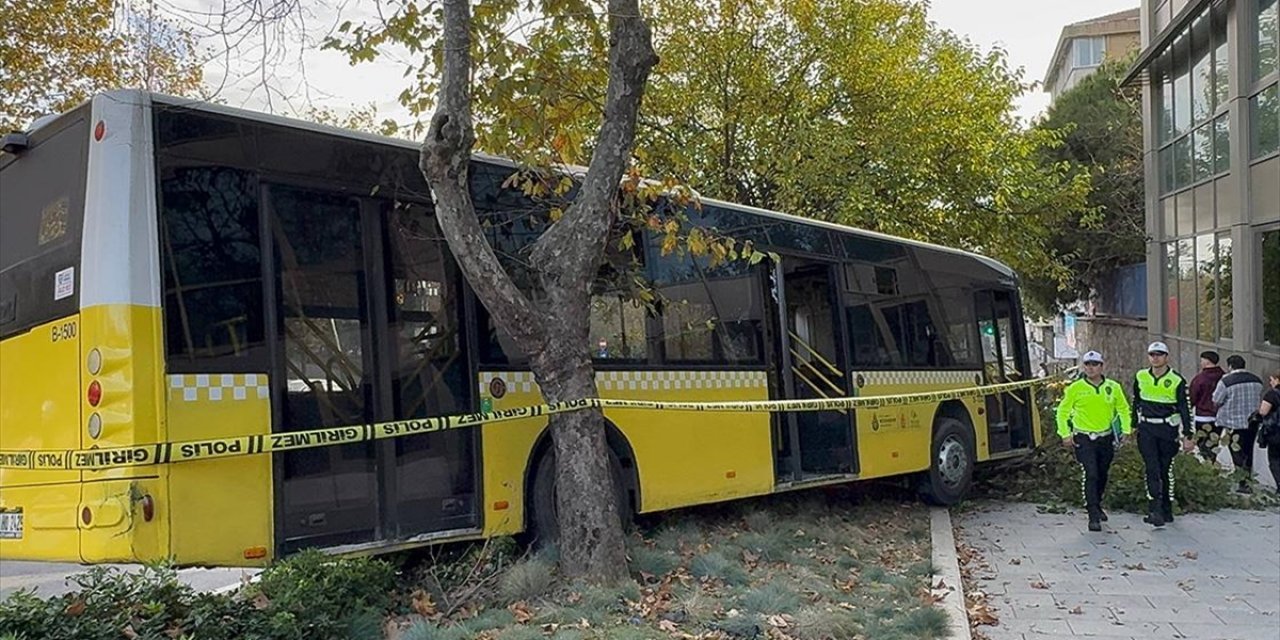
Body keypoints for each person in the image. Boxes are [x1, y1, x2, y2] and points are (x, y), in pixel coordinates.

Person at [1056, 350, 1131, 532]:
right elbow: (1062, 411)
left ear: (1101, 367)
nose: (1090, 368)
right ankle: (1092, 514)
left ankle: (1097, 503)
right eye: (1087, 365)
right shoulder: (1075, 388)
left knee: (1103, 473)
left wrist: (1126, 430)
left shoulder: (1112, 387)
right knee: (1091, 473)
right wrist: (1065, 433)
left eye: (1094, 365)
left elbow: (1122, 408)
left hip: (1105, 437)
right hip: (1084, 437)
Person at [1132, 341, 1192, 527]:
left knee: (1165, 469)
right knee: (1152, 468)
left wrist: (1188, 434)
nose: (1155, 358)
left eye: (1159, 354)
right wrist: (1133, 425)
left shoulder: (1177, 380)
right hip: (1147, 428)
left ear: (1166, 357)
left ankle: (1167, 508)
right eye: (1152, 354)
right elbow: (1136, 402)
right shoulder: (1141, 376)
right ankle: (1154, 509)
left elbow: (1184, 408)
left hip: (1167, 430)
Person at [1212, 355, 1265, 493]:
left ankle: (1242, 480)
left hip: (1233, 422)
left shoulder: (1226, 381)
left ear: (1230, 366)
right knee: (1248, 450)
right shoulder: (1257, 380)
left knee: (1236, 450)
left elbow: (1216, 400)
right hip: (1252, 421)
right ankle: (1247, 479)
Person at [1190, 351, 1225, 459]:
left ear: (1206, 361)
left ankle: (1208, 467)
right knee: (1213, 444)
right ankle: (1212, 463)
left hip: (1203, 416)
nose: (1200, 362)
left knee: (1203, 445)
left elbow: (1193, 397)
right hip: (1219, 417)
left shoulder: (1200, 379)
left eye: (1201, 360)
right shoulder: (1224, 377)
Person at [1255, 369, 1280, 489]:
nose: (1270, 383)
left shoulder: (1272, 394)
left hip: (1275, 431)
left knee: (1275, 459)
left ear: (1277, 379)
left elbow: (1263, 411)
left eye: (1271, 380)